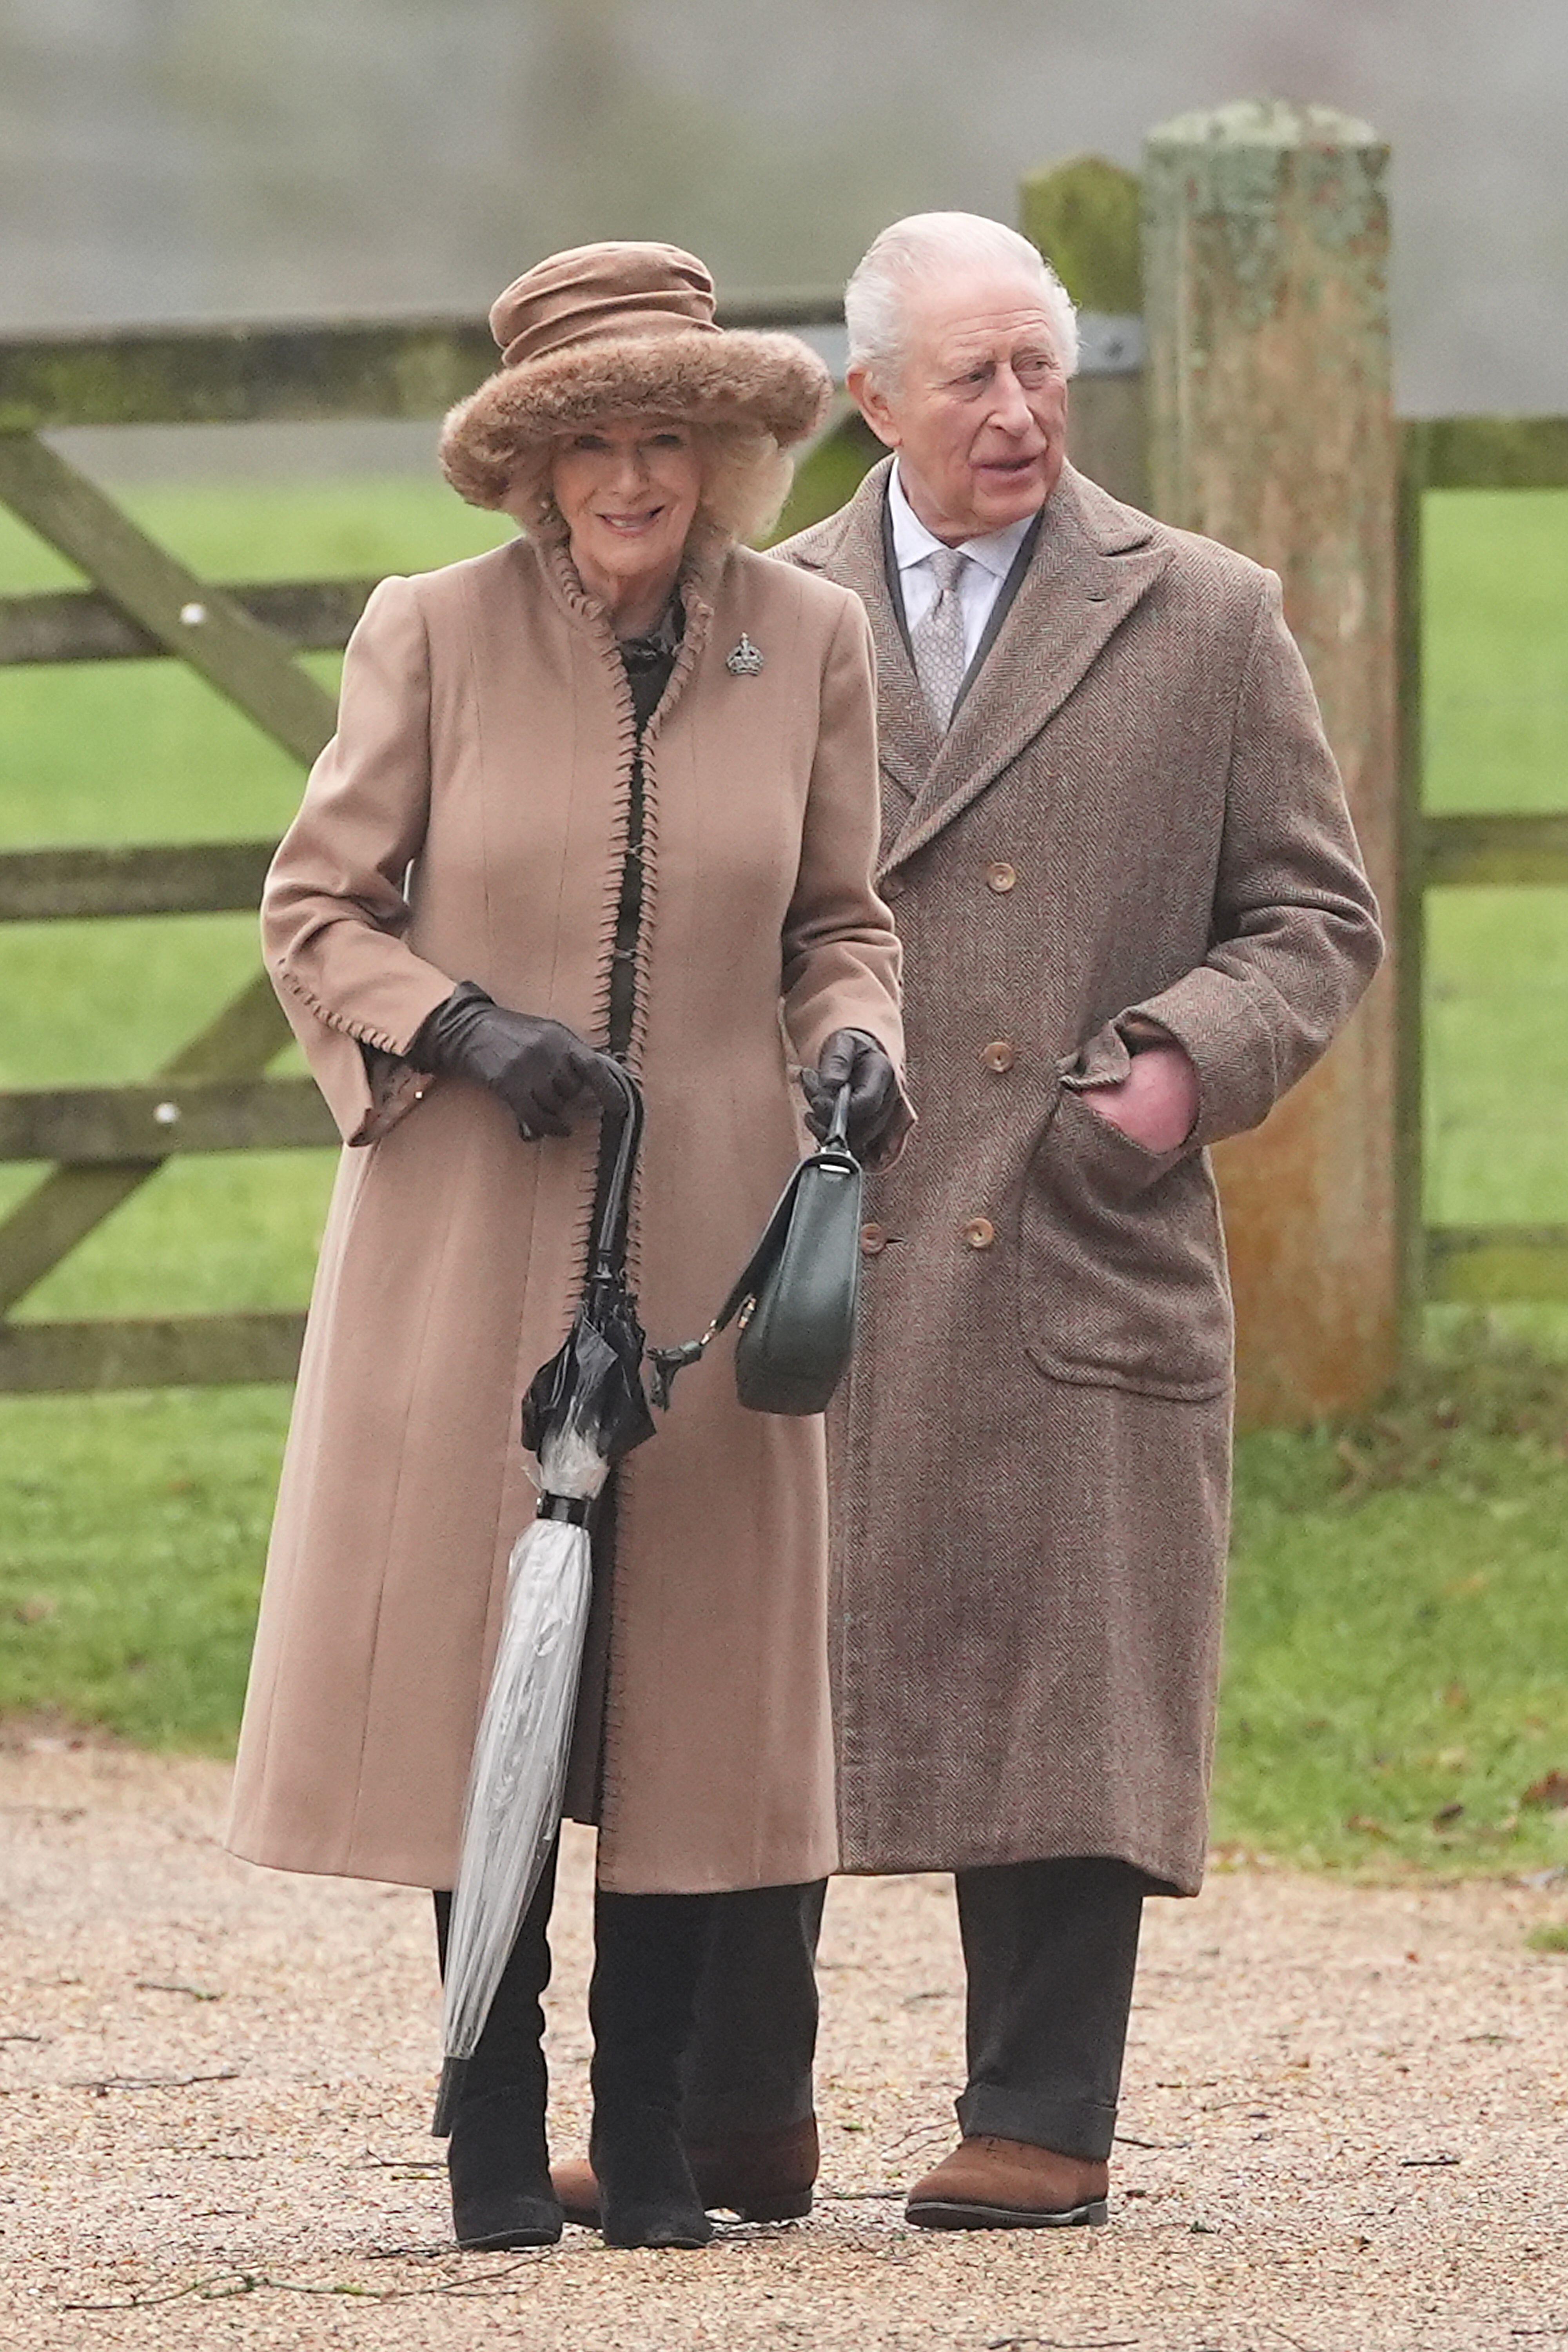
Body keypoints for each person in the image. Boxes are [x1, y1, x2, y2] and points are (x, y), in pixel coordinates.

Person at [554, 211, 1383, 2234]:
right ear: (869, 399)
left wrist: (1175, 1070)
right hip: (798, 1228)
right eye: (972, 378)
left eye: (1042, 372)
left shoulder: (1202, 612)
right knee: (749, 1668)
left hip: (1067, 1217)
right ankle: (733, 2115)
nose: (1018, 414)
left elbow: (1313, 916)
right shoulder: (756, 610)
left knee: (1068, 1660)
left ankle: (1042, 2114)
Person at [225, 240, 910, 2255]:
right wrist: (462, 1028)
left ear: (721, 456)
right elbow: (316, 910)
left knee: (694, 1679)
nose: (632, 479)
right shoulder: (428, 632)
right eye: (592, 444)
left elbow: (839, 927)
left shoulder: (809, 638)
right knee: (486, 1667)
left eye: (666, 440)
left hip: (708, 1226)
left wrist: (857, 1047)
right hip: (470, 1217)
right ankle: (491, 2125)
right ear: (536, 467)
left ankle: (653, 2134)